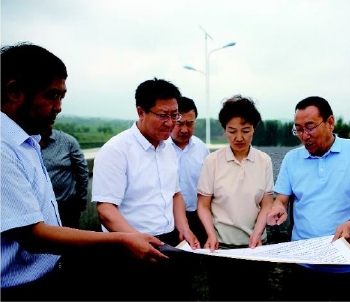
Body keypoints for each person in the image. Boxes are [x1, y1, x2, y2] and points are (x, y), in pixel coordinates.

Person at [1, 42, 169, 301]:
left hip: (46, 273)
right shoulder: (3, 147)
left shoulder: (26, 139)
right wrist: (123, 239)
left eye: (61, 97)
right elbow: (32, 235)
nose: (58, 107)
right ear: (14, 91)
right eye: (51, 95)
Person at [266, 96, 350, 301]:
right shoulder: (292, 159)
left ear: (330, 122)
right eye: (298, 129)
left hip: (348, 264)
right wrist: (278, 207)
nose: (304, 135)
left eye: (310, 127)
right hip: (303, 262)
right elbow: (282, 199)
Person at [91, 77, 200, 300]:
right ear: (141, 112)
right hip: (129, 246)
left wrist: (184, 227)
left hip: (168, 241)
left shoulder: (167, 146)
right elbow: (105, 210)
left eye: (174, 115)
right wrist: (136, 239)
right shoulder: (116, 150)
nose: (170, 123)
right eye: (163, 115)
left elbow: (175, 193)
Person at [197, 95, 274, 301]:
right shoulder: (212, 162)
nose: (239, 137)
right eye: (232, 131)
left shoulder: (263, 161)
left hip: (255, 248)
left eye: (246, 130)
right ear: (224, 129)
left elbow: (267, 203)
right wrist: (210, 235)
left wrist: (257, 233)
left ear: (254, 129)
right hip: (221, 249)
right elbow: (203, 206)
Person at [169, 96, 210, 245]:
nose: (184, 129)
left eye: (190, 124)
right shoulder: (161, 148)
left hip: (196, 216)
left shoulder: (201, 149)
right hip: (168, 217)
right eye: (179, 123)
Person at [39, 124, 89, 229]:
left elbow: (82, 172)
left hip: (66, 206)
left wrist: (81, 199)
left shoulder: (67, 142)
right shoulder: (25, 144)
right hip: (37, 208)